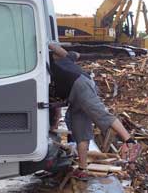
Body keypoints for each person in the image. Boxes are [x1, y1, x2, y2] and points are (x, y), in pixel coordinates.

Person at [48, 42, 141, 179]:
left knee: (101, 115)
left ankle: (131, 143)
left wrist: (46, 43)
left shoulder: (51, 59)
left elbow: (54, 48)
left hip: (80, 86)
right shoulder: (67, 59)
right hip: (74, 96)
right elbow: (73, 54)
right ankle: (82, 168)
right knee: (80, 131)